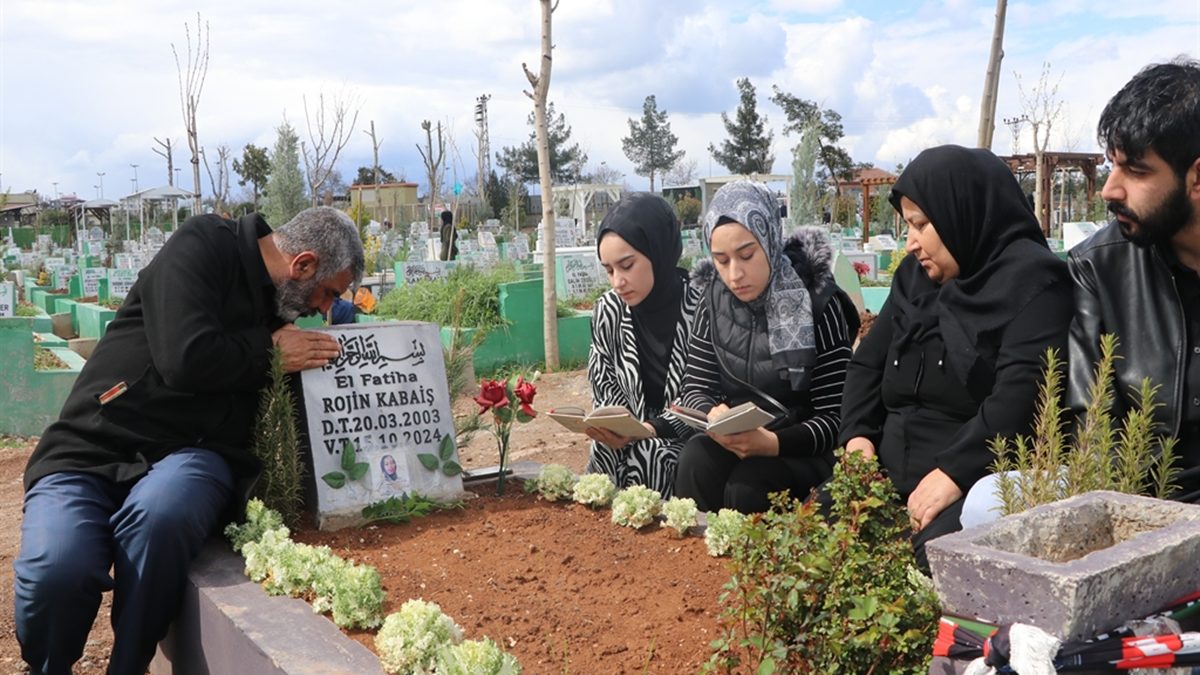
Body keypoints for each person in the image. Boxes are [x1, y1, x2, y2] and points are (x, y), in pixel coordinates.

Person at [14, 206, 364, 675]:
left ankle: (129, 665)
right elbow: (184, 357)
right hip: (91, 447)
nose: (324, 309)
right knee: (57, 570)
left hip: (193, 454)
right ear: (301, 265)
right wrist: (267, 352)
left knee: (161, 517)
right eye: (327, 293)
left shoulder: (280, 304)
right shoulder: (206, 245)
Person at [964, 59, 1200, 524]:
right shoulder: (1100, 266)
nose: (1109, 189)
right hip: (1141, 498)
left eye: (1135, 170)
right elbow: (1090, 420)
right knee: (985, 503)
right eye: (1112, 165)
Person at [838, 145, 1073, 569]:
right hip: (886, 474)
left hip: (968, 484)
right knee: (817, 543)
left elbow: (1020, 396)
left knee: (927, 567)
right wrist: (857, 439)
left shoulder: (1033, 284)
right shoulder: (915, 279)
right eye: (907, 226)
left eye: (921, 225)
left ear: (960, 215)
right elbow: (868, 363)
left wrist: (953, 474)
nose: (910, 243)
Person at [669, 180, 859, 513]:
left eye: (746, 255)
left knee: (751, 483)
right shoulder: (712, 300)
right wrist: (713, 415)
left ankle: (767, 564)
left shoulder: (819, 302)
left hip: (803, 448)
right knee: (696, 459)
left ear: (769, 238)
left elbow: (837, 417)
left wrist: (773, 443)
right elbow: (695, 387)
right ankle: (695, 560)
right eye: (721, 260)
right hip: (737, 438)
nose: (734, 274)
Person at [585, 193, 702, 496]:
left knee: (651, 455)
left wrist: (651, 430)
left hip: (686, 438)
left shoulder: (702, 307)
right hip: (627, 435)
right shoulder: (609, 310)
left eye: (626, 265)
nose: (617, 282)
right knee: (604, 450)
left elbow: (703, 393)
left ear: (658, 251)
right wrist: (613, 426)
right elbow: (604, 382)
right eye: (609, 270)